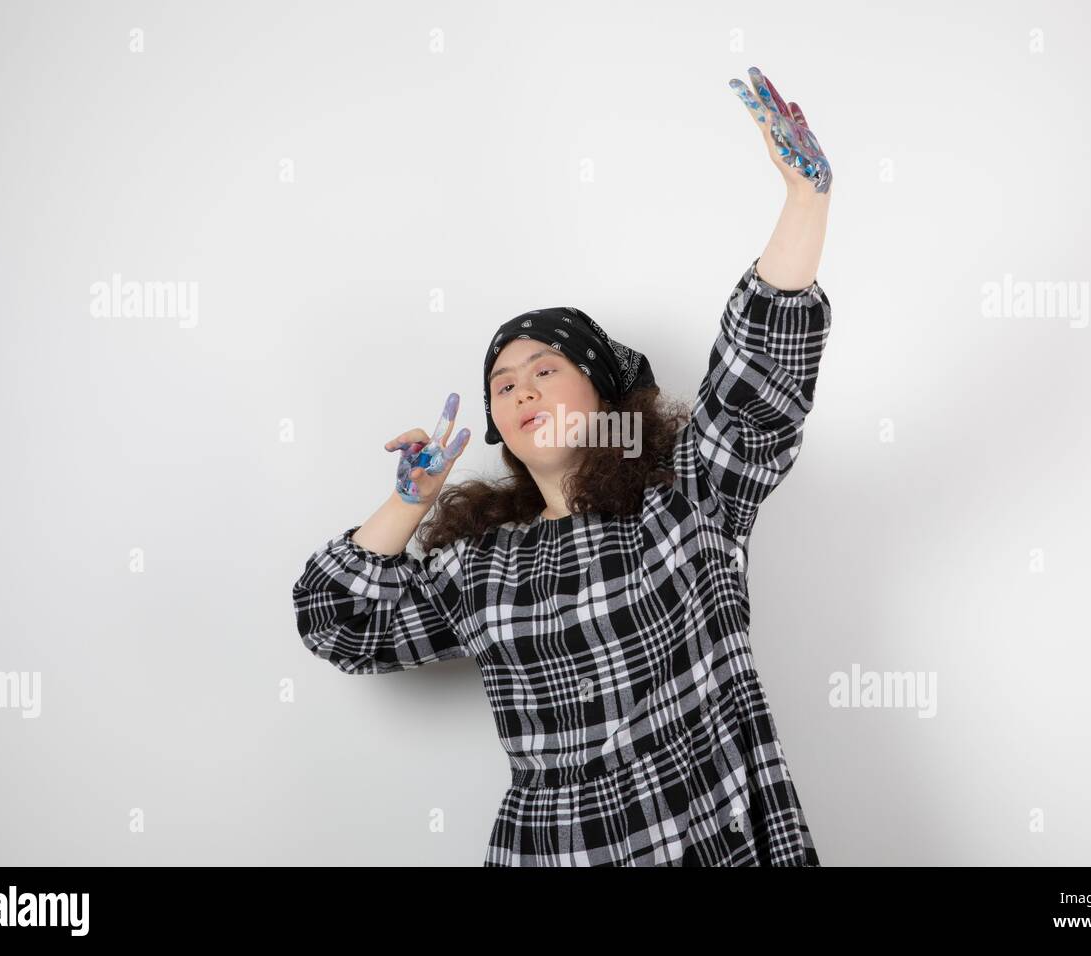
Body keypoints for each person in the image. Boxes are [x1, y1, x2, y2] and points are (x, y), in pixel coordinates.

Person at [292, 66, 833, 866]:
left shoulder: (686, 499)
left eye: (547, 368)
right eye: (503, 385)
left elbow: (757, 382)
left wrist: (805, 201)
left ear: (605, 393)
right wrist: (410, 502)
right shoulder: (480, 566)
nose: (521, 389)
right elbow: (337, 622)